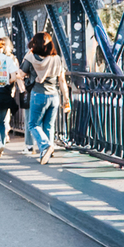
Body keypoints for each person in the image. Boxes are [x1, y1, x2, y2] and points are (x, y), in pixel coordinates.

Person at [21, 31, 71, 165]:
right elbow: (62, 81)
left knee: (33, 124)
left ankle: (45, 146)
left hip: (38, 94)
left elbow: (20, 74)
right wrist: (66, 99)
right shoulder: (57, 59)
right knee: (49, 125)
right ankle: (49, 151)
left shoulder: (31, 58)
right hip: (54, 96)